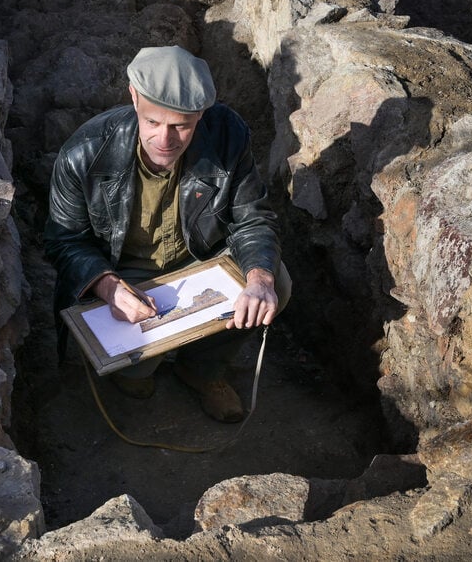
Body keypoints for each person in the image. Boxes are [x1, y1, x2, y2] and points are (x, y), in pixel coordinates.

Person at [45, 45, 291, 423]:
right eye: (153, 122)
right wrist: (109, 286)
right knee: (137, 368)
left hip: (197, 258)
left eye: (181, 126)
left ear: (201, 116)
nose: (165, 139)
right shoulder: (85, 153)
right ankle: (138, 370)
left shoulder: (227, 135)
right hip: (120, 271)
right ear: (134, 98)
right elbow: (64, 241)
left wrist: (259, 278)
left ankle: (202, 369)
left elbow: (252, 218)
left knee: (276, 283)